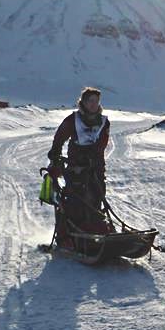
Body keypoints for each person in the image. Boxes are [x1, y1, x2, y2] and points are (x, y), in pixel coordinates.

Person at [46, 87, 111, 248]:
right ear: (83, 102)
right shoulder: (73, 120)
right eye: (91, 101)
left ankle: (94, 231)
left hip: (96, 166)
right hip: (76, 167)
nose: (94, 104)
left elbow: (102, 144)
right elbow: (59, 138)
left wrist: (92, 159)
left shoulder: (103, 122)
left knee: (96, 196)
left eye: (97, 101)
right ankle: (67, 236)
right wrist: (55, 156)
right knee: (76, 199)